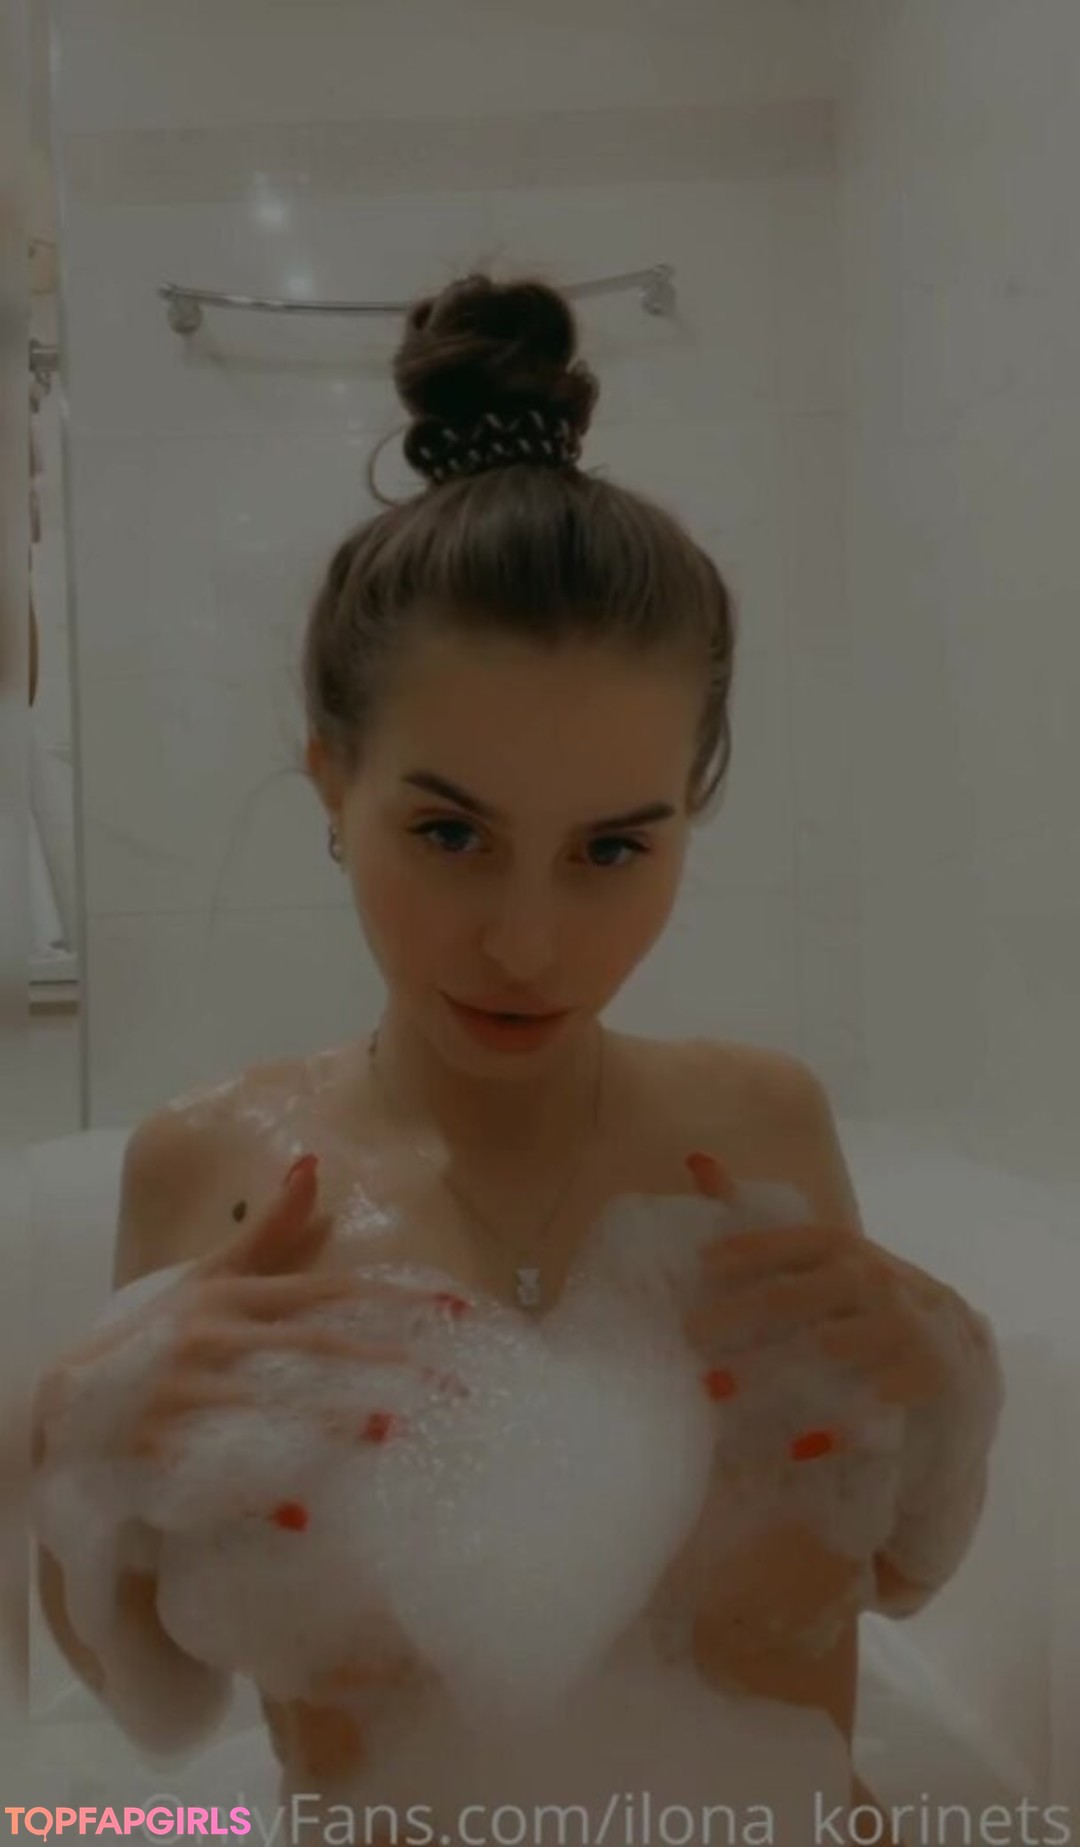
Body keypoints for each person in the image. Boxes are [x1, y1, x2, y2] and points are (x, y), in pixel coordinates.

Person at [33, 274, 998, 1845]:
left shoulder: (764, 1128)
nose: (529, 943)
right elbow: (139, 1689)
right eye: (449, 833)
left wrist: (944, 1376)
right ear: (332, 783)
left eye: (614, 848)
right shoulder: (210, 1172)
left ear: (689, 819)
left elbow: (888, 1572)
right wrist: (86, 1442)